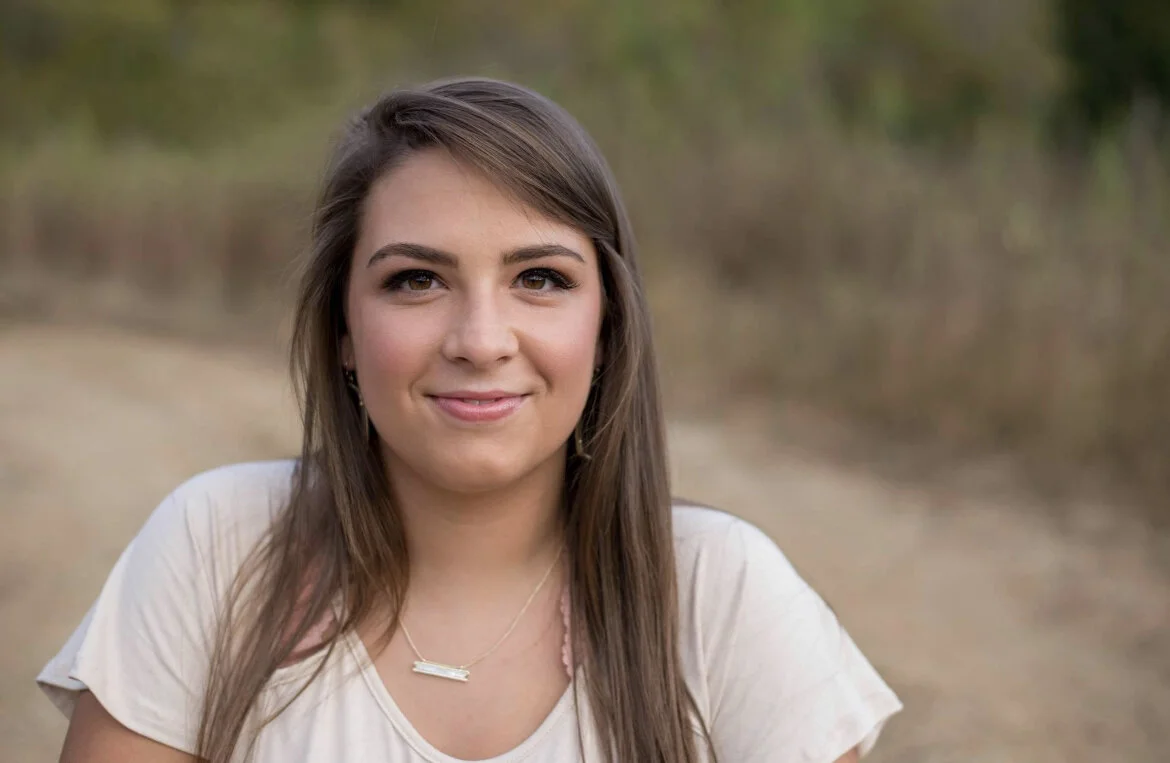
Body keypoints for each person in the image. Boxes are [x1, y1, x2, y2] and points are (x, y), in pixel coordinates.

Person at [37, 77, 902, 762]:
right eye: (416, 279)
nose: (481, 341)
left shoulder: (720, 594)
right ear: (343, 329)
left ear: (606, 329)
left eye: (541, 279)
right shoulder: (218, 549)